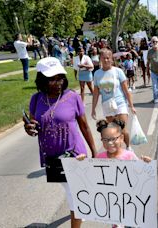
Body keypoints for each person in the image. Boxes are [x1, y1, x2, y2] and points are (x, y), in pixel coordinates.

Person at [23, 57, 97, 228]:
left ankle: (78, 216)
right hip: (52, 156)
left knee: (75, 194)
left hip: (74, 153)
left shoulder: (72, 96)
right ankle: (81, 210)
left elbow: (84, 125)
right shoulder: (36, 99)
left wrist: (94, 151)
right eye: (52, 79)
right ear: (42, 79)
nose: (58, 82)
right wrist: (29, 128)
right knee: (70, 189)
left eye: (60, 77)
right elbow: (34, 126)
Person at [78, 118, 151, 228]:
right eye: (106, 140)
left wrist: (147, 164)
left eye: (113, 139)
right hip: (113, 204)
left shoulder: (129, 156)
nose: (110, 143)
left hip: (130, 202)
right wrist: (81, 163)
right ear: (101, 140)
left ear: (121, 138)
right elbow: (90, 176)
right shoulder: (99, 158)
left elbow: (141, 173)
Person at [92, 48, 136, 151]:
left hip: (120, 103)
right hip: (107, 105)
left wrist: (131, 105)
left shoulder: (118, 71)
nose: (106, 60)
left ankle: (128, 147)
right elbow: (96, 93)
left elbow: (126, 90)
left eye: (108, 58)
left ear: (112, 59)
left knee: (122, 129)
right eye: (104, 58)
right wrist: (93, 108)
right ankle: (119, 151)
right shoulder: (97, 74)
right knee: (113, 130)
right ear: (100, 59)